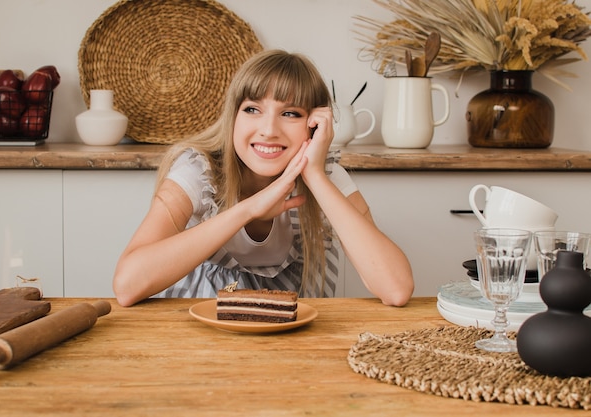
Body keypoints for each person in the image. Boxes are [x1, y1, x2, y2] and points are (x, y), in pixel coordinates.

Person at [113, 49, 414, 307]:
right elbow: (127, 286)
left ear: (315, 124)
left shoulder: (327, 175)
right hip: (195, 339)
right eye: (253, 109)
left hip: (291, 341)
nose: (269, 129)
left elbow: (396, 289)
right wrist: (249, 209)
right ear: (233, 116)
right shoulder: (199, 170)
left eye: (290, 114)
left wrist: (315, 177)